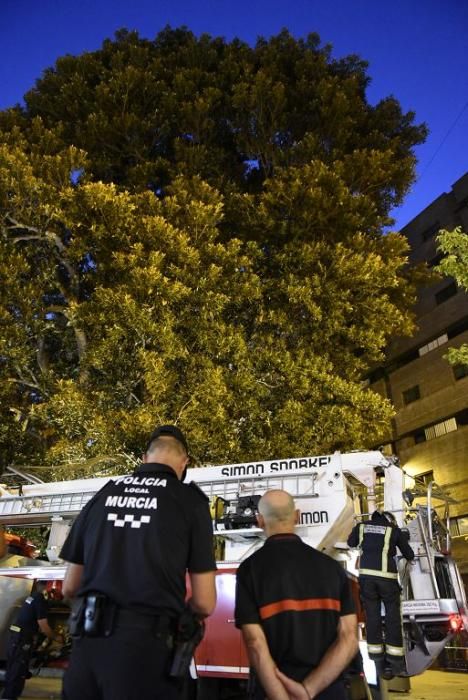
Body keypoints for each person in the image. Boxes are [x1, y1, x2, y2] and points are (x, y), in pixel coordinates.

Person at [60, 424, 217, 700]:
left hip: (87, 645)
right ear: (184, 463)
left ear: (145, 458)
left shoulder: (102, 495)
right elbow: (205, 601)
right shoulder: (190, 502)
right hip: (145, 652)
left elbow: (70, 587)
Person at [235, 490, 358, 700]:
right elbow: (349, 638)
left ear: (259, 521)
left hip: (273, 692)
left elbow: (255, 643)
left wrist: (280, 695)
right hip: (329, 691)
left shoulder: (250, 570)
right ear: (297, 516)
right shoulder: (332, 568)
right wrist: (309, 689)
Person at [347, 510, 415, 679]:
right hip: (387, 579)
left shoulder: (361, 527)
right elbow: (409, 554)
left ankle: (377, 656)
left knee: (372, 616)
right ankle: (395, 659)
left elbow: (350, 543)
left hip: (367, 579)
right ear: (387, 519)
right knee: (393, 617)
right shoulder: (392, 529)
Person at [2, 580, 58, 700]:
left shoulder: (32, 597)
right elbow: (44, 626)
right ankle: (9, 697)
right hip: (22, 639)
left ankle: (8, 695)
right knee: (18, 671)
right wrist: (56, 638)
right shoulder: (40, 599)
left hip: (15, 637)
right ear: (48, 587)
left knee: (13, 669)